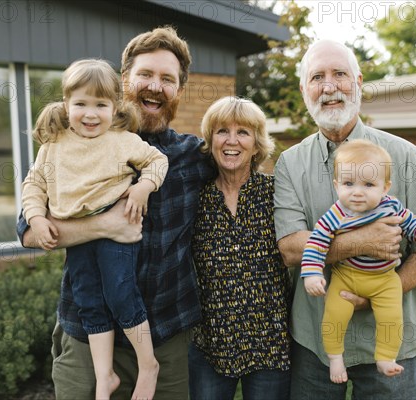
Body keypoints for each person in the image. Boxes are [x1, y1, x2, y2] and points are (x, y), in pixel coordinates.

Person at [17, 27, 214, 399]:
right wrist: (104, 225)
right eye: (145, 75)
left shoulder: (193, 156)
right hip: (87, 336)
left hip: (164, 338)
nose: (155, 86)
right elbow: (28, 232)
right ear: (124, 82)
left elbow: (245, 158)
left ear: (178, 91)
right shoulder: (69, 147)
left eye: (167, 79)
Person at [273, 39, 416, 399]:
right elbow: (289, 248)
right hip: (315, 343)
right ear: (304, 90)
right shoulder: (290, 163)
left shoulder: (409, 159)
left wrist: (377, 295)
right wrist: (361, 243)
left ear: (358, 82)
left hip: (392, 344)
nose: (329, 86)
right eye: (317, 77)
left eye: (340, 74)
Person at [21, 58, 167, 400]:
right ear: (66, 104)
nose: (90, 114)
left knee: (120, 294)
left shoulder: (122, 140)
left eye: (100, 105)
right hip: (78, 232)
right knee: (88, 301)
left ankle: (148, 364)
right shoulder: (54, 145)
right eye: (81, 104)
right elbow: (34, 185)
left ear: (114, 107)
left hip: (117, 232)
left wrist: (145, 186)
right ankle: (106, 377)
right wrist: (37, 218)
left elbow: (158, 161)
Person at [301, 139, 416, 383]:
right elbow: (317, 242)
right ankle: (335, 357)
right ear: (337, 185)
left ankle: (386, 357)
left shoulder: (391, 207)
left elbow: (410, 222)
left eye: (368, 184)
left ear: (385, 187)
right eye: (348, 183)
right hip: (346, 277)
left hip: (384, 279)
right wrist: (313, 273)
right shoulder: (337, 213)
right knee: (334, 316)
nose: (357, 191)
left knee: (392, 317)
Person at [190, 96, 291, 400]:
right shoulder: (195, 198)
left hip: (270, 341)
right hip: (211, 342)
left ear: (257, 144)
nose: (231, 141)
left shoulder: (277, 194)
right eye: (222, 131)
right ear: (210, 140)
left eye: (243, 132)